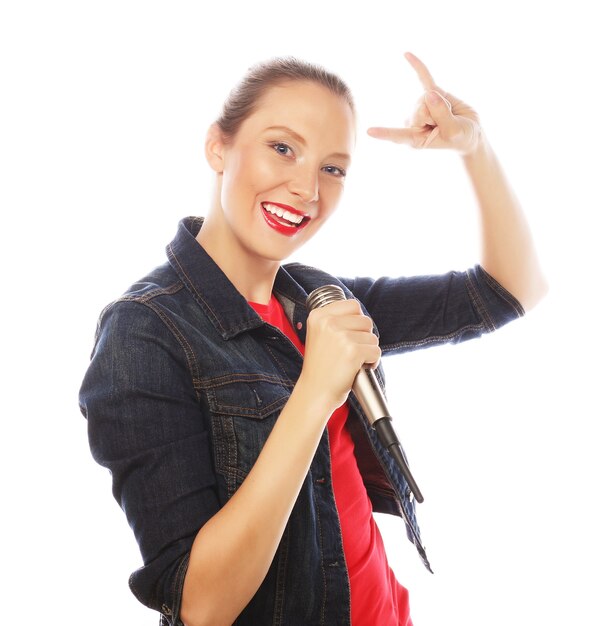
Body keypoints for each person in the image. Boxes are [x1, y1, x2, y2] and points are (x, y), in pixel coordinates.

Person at [78, 52, 547, 626]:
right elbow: (202, 605)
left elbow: (507, 291)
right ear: (218, 146)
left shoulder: (319, 299)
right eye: (283, 148)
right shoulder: (144, 332)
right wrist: (315, 392)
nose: (307, 188)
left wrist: (477, 149)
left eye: (334, 168)